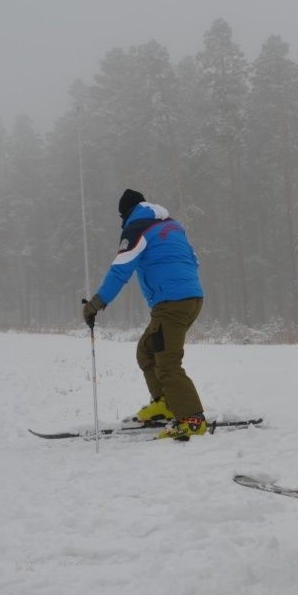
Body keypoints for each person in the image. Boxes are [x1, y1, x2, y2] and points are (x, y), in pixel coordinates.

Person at [82, 189, 208, 441]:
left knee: (168, 362)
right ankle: (165, 403)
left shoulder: (137, 228)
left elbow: (120, 270)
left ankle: (192, 420)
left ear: (124, 214)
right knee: (147, 350)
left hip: (171, 303)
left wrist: (95, 304)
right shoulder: (173, 226)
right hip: (192, 298)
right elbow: (194, 260)